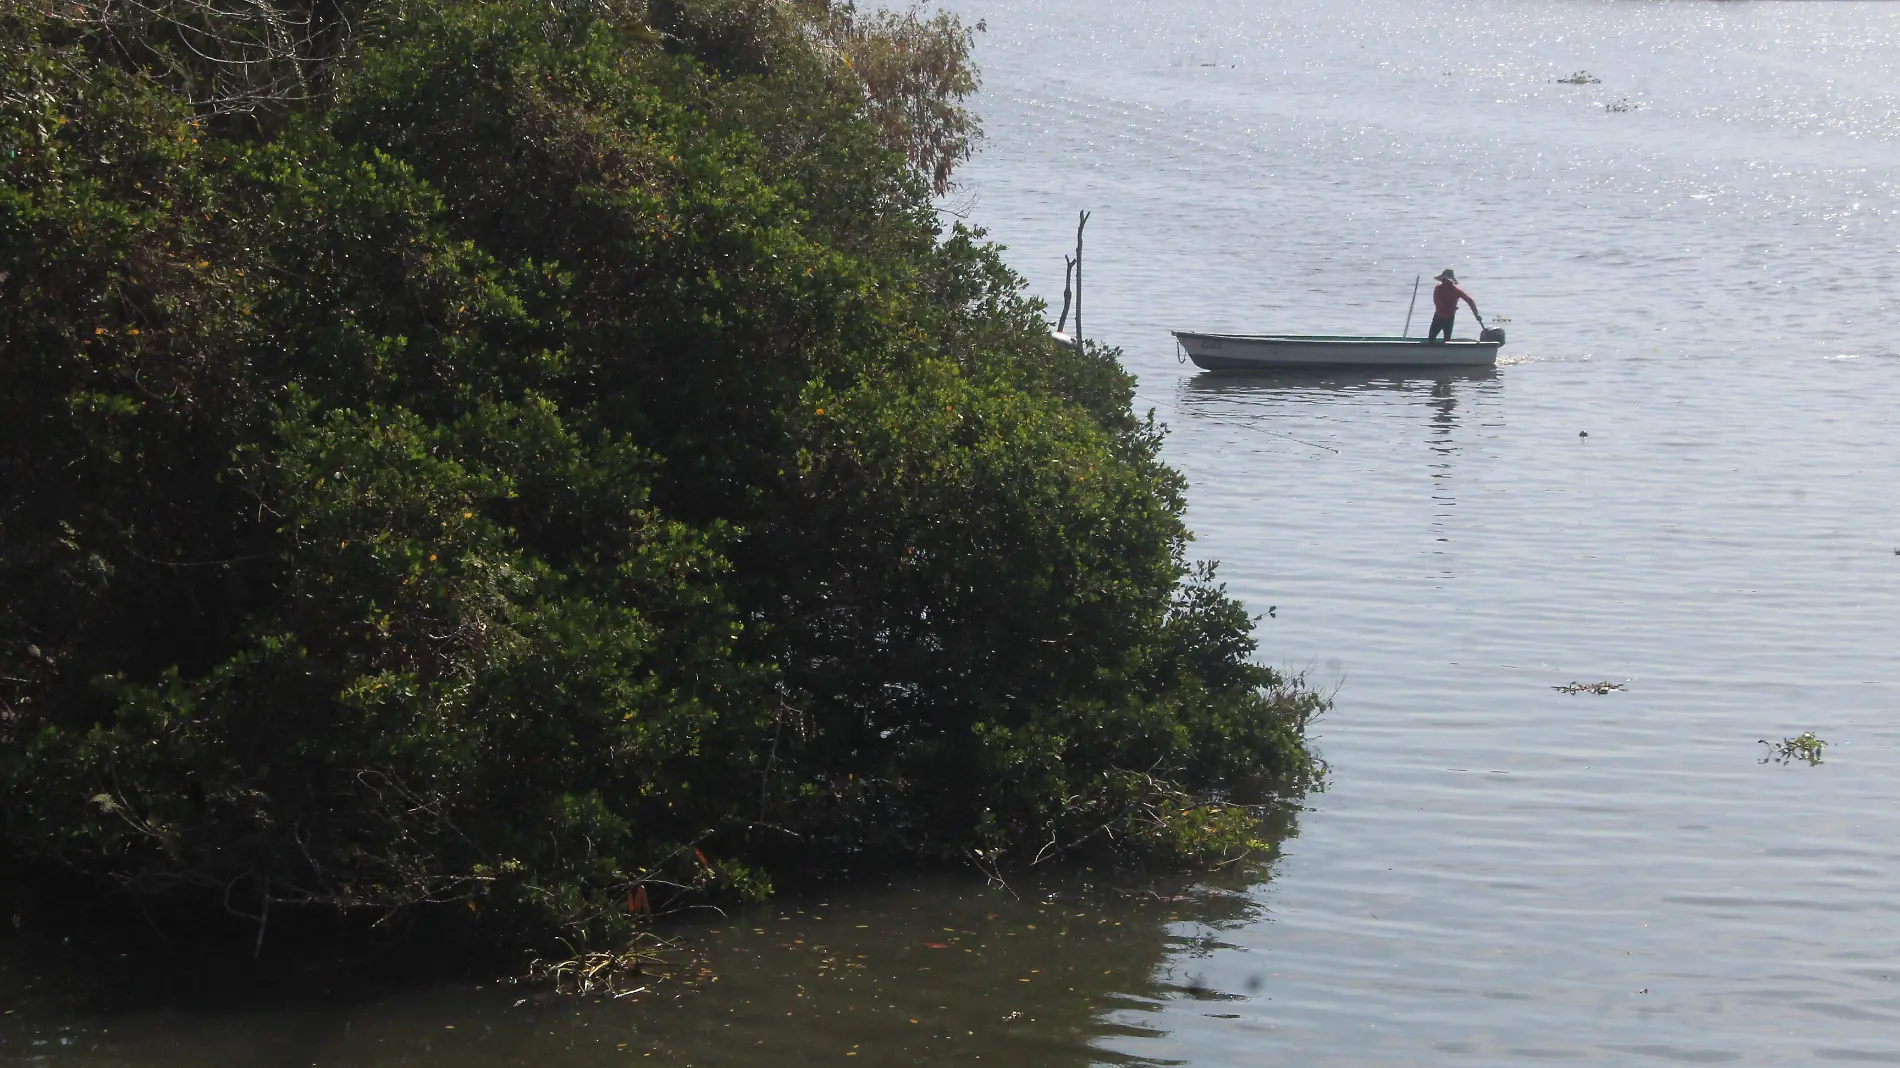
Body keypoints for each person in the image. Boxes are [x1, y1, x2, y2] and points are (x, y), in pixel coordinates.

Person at [1427, 269, 1478, 342]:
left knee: (1447, 340)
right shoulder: (1438, 289)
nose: (1444, 282)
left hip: (1449, 318)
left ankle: (1447, 352)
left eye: (1446, 280)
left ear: (1450, 281)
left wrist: (1476, 315)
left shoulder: (1456, 291)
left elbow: (1469, 301)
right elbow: (1437, 302)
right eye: (1443, 280)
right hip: (1438, 317)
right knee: (1431, 338)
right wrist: (1450, 307)